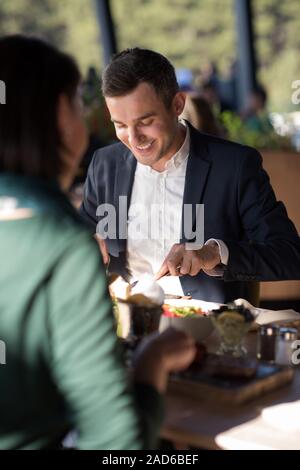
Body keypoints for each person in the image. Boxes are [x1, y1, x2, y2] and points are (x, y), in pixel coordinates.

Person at [0, 36, 196, 450]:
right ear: (53, 115)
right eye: (75, 102)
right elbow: (116, 443)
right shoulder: (61, 243)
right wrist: (153, 362)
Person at [80, 47, 300, 304]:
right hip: (125, 324)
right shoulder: (104, 164)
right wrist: (84, 245)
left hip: (207, 330)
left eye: (145, 121)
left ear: (177, 104)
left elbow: (289, 254)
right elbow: (80, 238)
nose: (133, 137)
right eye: (120, 125)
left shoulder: (234, 165)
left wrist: (215, 253)